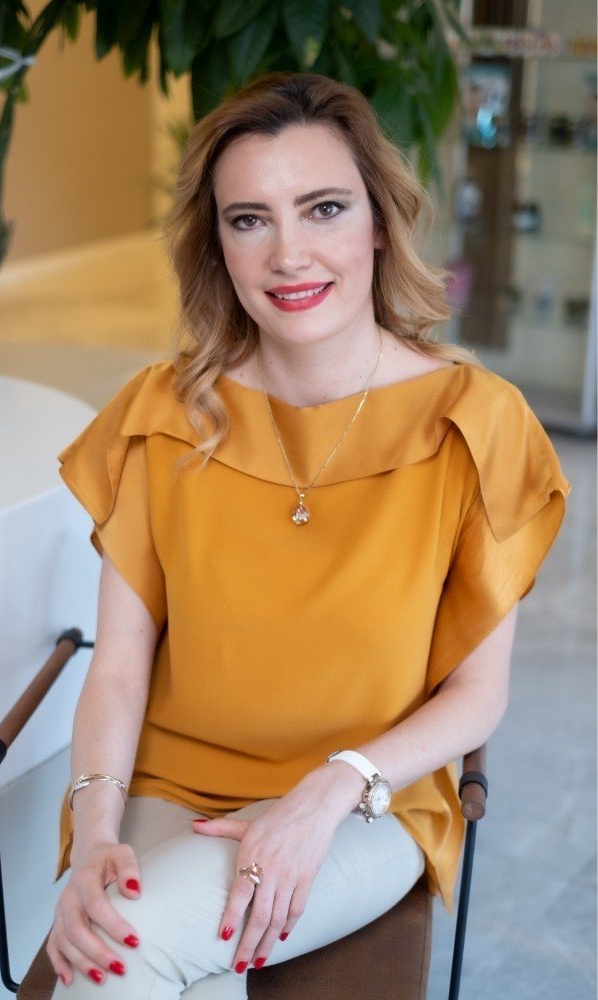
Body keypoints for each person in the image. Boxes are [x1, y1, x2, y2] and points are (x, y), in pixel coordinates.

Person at [47, 72, 569, 998]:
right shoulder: (158, 415)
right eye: (249, 219)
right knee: (134, 954)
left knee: (123, 957)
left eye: (324, 208)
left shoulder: (476, 422)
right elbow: (119, 665)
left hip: (369, 799)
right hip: (171, 788)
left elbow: (477, 694)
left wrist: (333, 787)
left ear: (379, 222)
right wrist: (94, 833)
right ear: (218, 244)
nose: (289, 254)